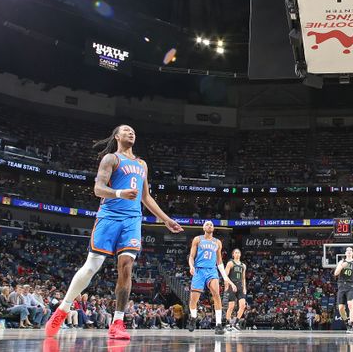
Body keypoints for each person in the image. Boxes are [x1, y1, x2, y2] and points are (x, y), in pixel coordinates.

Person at [45, 125, 183, 340]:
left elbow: (146, 197)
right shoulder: (111, 159)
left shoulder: (142, 164)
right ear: (117, 136)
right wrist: (120, 192)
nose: (131, 133)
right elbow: (98, 189)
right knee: (92, 266)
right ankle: (63, 309)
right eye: (127, 130)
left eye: (134, 131)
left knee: (127, 266)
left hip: (132, 219)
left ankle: (118, 322)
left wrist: (166, 220)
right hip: (109, 217)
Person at [187, 220, 232, 335]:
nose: (209, 226)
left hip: (212, 271)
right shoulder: (198, 239)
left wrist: (225, 277)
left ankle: (218, 324)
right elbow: (191, 256)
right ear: (203, 228)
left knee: (216, 295)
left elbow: (219, 261)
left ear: (213, 228)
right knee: (194, 299)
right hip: (199, 270)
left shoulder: (218, 242)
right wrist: (191, 266)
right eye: (207, 224)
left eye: (211, 224)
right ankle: (193, 317)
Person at [333, 246, 353, 334]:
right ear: (345, 253)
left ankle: (351, 325)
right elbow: (335, 273)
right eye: (347, 250)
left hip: (351, 285)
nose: (349, 251)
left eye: (350, 250)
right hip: (341, 285)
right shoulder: (341, 262)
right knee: (340, 308)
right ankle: (347, 322)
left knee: (350, 304)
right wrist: (341, 267)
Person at [224, 248, 247, 331]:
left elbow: (243, 278)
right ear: (233, 255)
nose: (237, 254)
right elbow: (225, 276)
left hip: (240, 286)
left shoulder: (243, 265)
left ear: (240, 254)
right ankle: (227, 324)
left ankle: (236, 323)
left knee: (243, 305)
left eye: (238, 252)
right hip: (232, 285)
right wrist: (230, 284)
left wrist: (244, 287)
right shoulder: (230, 263)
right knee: (231, 306)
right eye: (235, 253)